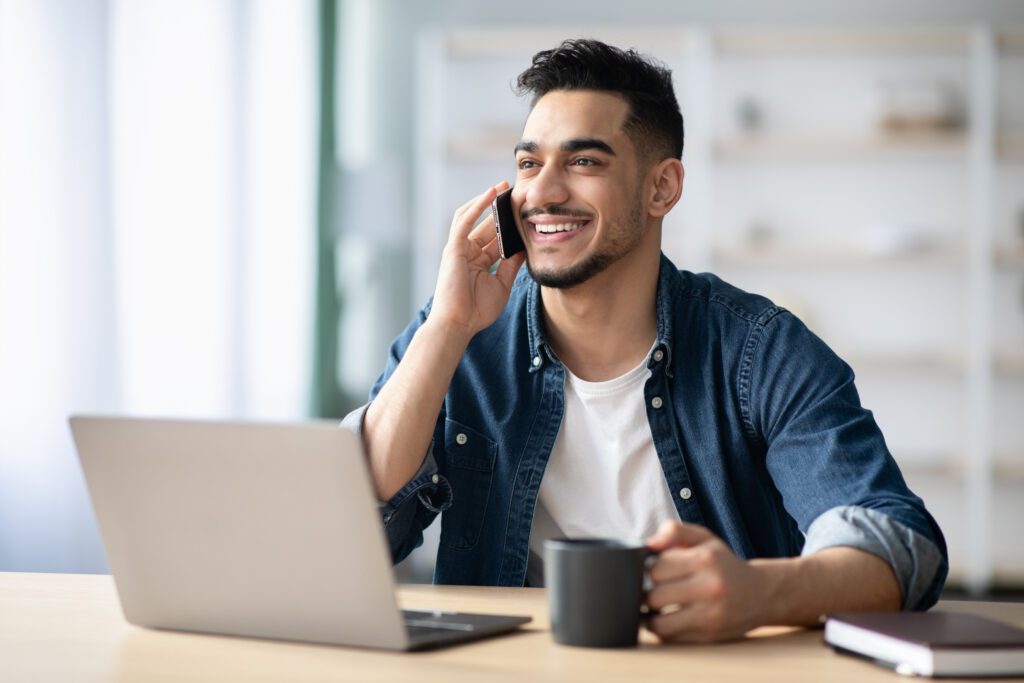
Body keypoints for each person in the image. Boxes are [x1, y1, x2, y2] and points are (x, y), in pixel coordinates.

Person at [342, 38, 947, 643]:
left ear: (662, 188)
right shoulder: (458, 334)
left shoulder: (759, 350)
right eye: (529, 164)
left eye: (584, 162)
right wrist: (446, 328)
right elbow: (355, 526)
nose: (543, 193)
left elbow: (901, 546)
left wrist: (758, 592)